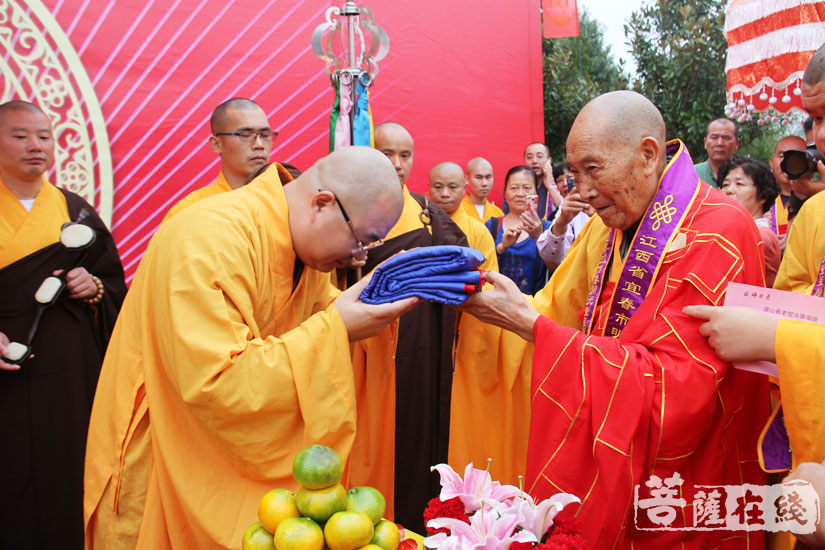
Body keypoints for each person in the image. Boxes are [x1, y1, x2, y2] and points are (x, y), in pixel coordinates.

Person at [459, 91, 768, 549]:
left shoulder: (718, 230)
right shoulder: (613, 221)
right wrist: (498, 305)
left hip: (688, 482)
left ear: (647, 155)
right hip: (618, 457)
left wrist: (530, 326)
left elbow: (677, 389)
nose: (580, 192)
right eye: (573, 174)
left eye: (592, 169)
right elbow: (561, 308)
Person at [83, 147, 418, 548]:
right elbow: (216, 382)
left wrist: (372, 306)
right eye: (362, 241)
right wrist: (337, 329)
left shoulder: (299, 247)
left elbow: (306, 317)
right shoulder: (208, 236)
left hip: (230, 471)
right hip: (167, 456)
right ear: (321, 204)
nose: (357, 258)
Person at [0, 100, 126, 548]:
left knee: (70, 468)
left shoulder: (75, 211)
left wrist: (91, 286)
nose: (35, 146)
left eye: (44, 137)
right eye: (20, 136)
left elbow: (112, 286)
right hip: (6, 372)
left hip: (69, 369)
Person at [346, 122, 468, 532]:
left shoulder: (427, 215)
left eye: (405, 155)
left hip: (422, 349)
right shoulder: (348, 211)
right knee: (370, 447)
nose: (397, 165)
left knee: (418, 436)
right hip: (365, 350)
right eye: (386, 154)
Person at [162, 98, 286, 221]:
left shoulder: (287, 202)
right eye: (245, 135)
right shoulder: (189, 210)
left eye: (265, 135)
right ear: (217, 144)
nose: (259, 144)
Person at [486, 166, 551, 294]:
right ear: (505, 193)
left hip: (533, 307)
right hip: (496, 304)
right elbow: (482, 268)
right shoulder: (492, 225)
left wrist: (539, 238)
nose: (520, 193)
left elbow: (558, 270)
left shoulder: (547, 228)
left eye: (527, 188)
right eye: (514, 188)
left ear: (536, 192)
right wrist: (501, 248)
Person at [719, 156, 781, 286]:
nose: (728, 190)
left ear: (763, 195)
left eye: (739, 184)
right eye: (725, 184)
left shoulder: (763, 236)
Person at [428, 162, 498, 271]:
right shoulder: (419, 225)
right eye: (438, 187)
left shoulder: (479, 232)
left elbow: (490, 277)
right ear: (429, 188)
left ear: (464, 188)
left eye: (452, 187)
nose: (445, 193)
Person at [768, 135, 806, 249]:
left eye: (796, 157)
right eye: (782, 156)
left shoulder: (818, 199)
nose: (788, 163)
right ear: (772, 162)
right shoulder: (758, 197)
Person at [693, 118, 740, 187]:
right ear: (705, 143)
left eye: (726, 138)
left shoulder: (747, 176)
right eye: (714, 137)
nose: (720, 143)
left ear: (737, 143)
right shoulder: (691, 174)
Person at [460, 157, 503, 222]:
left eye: (488, 177)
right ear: (467, 179)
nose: (484, 183)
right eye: (478, 177)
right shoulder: (458, 211)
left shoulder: (498, 213)